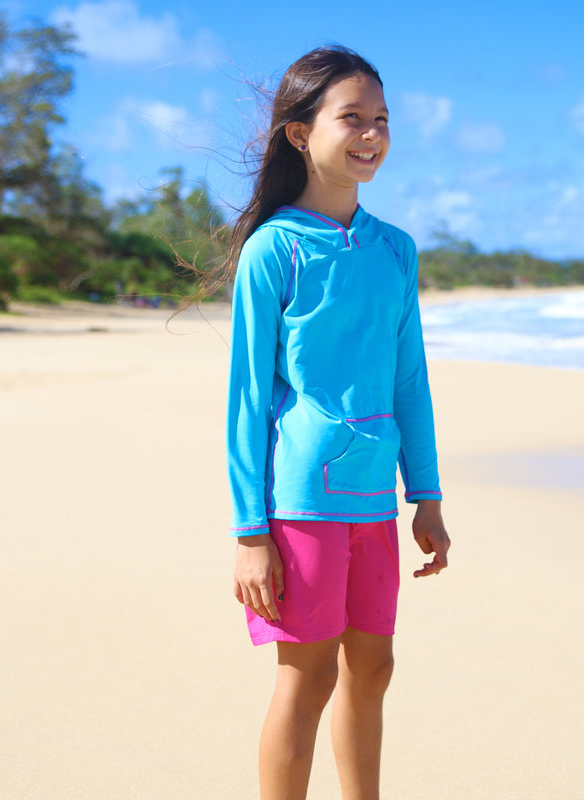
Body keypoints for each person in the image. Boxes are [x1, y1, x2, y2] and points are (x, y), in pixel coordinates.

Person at [225, 45, 451, 800]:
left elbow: (408, 380)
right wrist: (251, 534)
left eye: (381, 120)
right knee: (308, 673)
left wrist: (428, 495)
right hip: (300, 502)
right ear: (300, 133)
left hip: (373, 497)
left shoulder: (395, 250)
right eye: (351, 118)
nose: (371, 135)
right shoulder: (274, 250)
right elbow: (248, 401)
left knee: (375, 667)